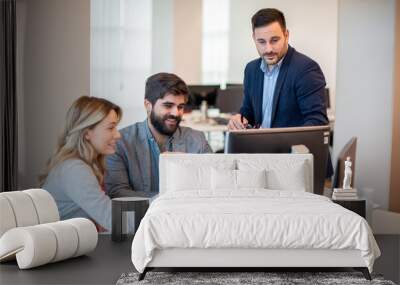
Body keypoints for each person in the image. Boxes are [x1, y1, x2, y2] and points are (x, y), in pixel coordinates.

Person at [105, 72, 212, 198]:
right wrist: (167, 200)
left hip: (187, 215)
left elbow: (211, 186)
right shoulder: (121, 142)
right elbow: (118, 192)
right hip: (141, 217)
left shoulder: (197, 140)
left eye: (180, 107)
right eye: (168, 105)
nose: (176, 113)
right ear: (148, 105)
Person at [228, 8, 329, 130]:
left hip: (290, 148)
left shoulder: (306, 70)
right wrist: (239, 119)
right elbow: (248, 109)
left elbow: (317, 123)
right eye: (261, 42)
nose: (268, 49)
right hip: (257, 146)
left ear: (286, 35)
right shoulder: (251, 69)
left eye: (274, 40)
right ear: (254, 38)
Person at [40, 96, 122, 231]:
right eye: (110, 128)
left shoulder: (84, 165)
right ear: (87, 133)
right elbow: (114, 221)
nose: (118, 135)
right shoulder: (74, 169)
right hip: (66, 248)